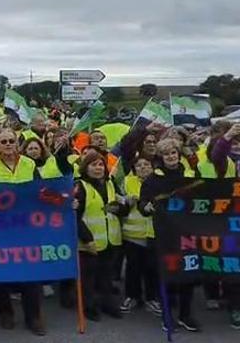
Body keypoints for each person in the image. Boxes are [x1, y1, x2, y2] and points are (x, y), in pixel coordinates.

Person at [0, 129, 45, 336]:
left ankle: (33, 317)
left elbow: (41, 191)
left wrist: (64, 199)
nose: (7, 144)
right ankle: (5, 311)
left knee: (31, 275)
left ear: (17, 143)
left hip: (26, 229)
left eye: (11, 141)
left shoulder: (29, 164)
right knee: (1, 274)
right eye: (3, 141)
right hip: (0, 230)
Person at [138, 138, 200, 331]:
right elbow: (143, 203)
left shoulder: (190, 174)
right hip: (162, 235)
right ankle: (167, 315)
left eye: (174, 153)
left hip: (187, 233)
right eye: (166, 154)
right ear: (160, 157)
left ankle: (185, 315)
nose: (171, 157)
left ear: (178, 154)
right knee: (166, 276)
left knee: (188, 275)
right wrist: (146, 207)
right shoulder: (153, 179)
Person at [75, 150, 125, 321]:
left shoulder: (110, 183)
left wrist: (123, 206)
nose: (98, 168)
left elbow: (119, 208)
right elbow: (75, 216)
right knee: (89, 278)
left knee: (106, 276)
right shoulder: (80, 186)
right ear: (85, 167)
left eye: (101, 164)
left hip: (110, 239)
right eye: (93, 165)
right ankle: (90, 307)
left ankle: (107, 304)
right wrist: (87, 239)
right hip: (90, 240)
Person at [119, 157, 161, 316]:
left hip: (153, 233)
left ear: (152, 166)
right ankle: (132, 296)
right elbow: (118, 203)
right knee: (132, 268)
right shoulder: (127, 182)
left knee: (152, 268)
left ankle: (152, 298)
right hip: (132, 234)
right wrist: (126, 202)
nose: (143, 167)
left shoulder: (158, 181)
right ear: (134, 168)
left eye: (146, 164)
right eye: (139, 165)